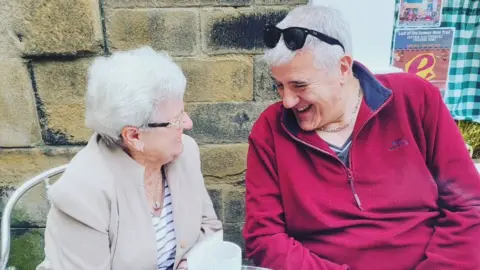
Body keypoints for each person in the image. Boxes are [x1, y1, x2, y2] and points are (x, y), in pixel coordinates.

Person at [243, 4, 480, 270]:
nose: (287, 101)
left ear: (343, 68)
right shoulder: (270, 130)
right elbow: (264, 237)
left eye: (300, 85)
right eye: (279, 85)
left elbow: (469, 205)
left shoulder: (415, 99)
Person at [36, 46, 222, 270]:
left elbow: (209, 227)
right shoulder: (82, 194)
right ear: (134, 136)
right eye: (177, 119)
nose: (188, 124)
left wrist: (189, 264)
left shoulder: (185, 153)